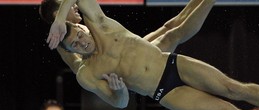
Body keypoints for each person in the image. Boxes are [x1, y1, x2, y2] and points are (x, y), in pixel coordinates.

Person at [47, 0, 259, 110]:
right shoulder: (88, 72)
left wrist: (59, 19)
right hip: (165, 92)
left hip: (172, 64)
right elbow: (119, 103)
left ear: (82, 28)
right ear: (72, 51)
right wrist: (120, 91)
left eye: (80, 35)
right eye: (75, 45)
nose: (81, 42)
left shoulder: (100, 23)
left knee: (233, 88)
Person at [39, 0, 215, 52]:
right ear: (56, 14)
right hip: (127, 66)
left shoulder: (80, 24)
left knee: (169, 26)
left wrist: (61, 18)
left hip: (126, 47)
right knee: (173, 35)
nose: (74, 5)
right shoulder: (63, 44)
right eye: (65, 6)